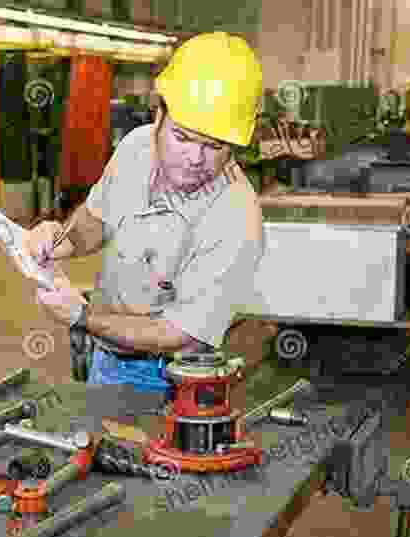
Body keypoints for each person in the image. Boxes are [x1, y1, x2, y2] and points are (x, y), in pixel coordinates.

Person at [27, 32, 266, 392]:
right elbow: (95, 221)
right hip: (105, 354)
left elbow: (182, 337)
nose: (195, 159)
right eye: (183, 138)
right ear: (159, 113)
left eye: (215, 146)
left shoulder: (237, 218)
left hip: (177, 378)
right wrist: (62, 240)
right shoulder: (136, 147)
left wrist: (83, 316)